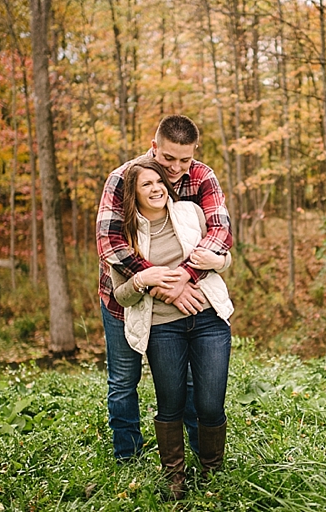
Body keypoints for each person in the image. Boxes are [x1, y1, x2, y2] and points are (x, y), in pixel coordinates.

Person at [96, 115, 232, 462]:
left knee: (184, 382)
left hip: (182, 302)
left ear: (194, 153)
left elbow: (220, 232)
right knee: (124, 381)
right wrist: (159, 282)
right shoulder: (124, 178)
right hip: (123, 299)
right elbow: (110, 244)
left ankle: (199, 452)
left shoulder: (202, 176)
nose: (174, 168)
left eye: (183, 160)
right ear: (154, 147)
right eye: (167, 158)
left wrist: (185, 275)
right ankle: (128, 455)